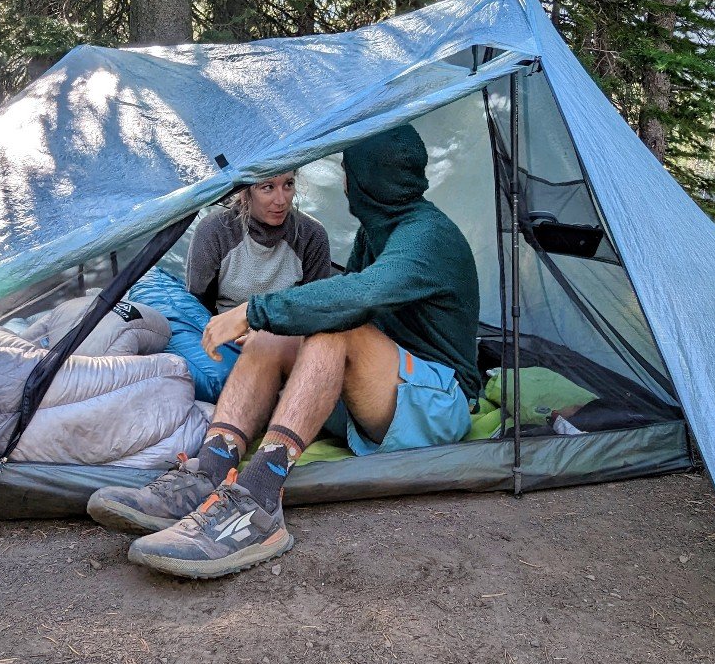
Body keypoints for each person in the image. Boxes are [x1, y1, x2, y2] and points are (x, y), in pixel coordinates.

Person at [86, 125, 480, 579]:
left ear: (361, 180)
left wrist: (254, 311)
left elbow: (358, 298)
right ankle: (209, 472)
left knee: (335, 327)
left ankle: (257, 504)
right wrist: (268, 331)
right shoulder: (377, 232)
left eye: (348, 170)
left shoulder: (427, 236)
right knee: (275, 336)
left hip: (439, 405)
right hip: (382, 397)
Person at [186, 171, 332, 315]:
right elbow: (197, 306)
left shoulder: (312, 235)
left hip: (288, 332)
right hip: (225, 331)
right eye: (268, 187)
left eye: (288, 184)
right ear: (244, 191)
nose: (281, 201)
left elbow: (316, 311)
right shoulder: (213, 231)